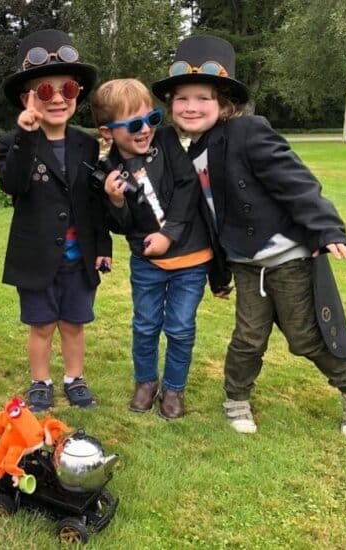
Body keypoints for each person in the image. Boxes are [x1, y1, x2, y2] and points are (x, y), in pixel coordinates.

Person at [151, 34, 346, 438]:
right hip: (244, 264)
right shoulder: (192, 153)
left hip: (288, 259)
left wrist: (326, 228)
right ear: (171, 106)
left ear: (224, 103)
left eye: (202, 97)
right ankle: (236, 398)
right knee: (247, 338)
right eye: (182, 99)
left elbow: (296, 182)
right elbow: (210, 220)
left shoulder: (249, 131)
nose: (191, 107)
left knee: (306, 338)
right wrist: (217, 274)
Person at [90, 78, 231, 419]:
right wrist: (115, 201)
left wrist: (169, 233)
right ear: (108, 131)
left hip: (192, 257)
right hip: (146, 262)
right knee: (145, 324)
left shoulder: (166, 141)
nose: (146, 130)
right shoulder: (107, 170)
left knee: (181, 326)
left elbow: (188, 185)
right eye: (135, 125)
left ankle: (173, 389)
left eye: (152, 119)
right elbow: (120, 226)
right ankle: (145, 383)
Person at [0, 29, 112, 412]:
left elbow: (95, 202)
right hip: (36, 256)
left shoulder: (87, 144)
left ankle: (74, 378)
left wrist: (105, 247)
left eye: (68, 89)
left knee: (74, 323)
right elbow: (13, 184)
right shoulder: (13, 143)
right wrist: (27, 136)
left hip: (79, 257)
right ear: (25, 98)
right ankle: (41, 380)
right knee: (42, 325)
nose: (58, 98)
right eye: (44, 91)